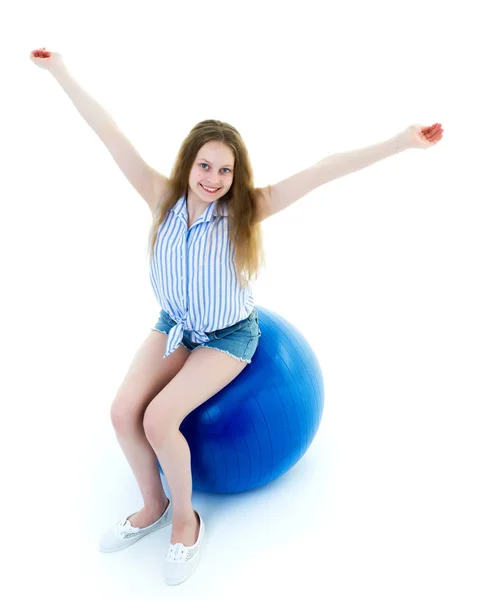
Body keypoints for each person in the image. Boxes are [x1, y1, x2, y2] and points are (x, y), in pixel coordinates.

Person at [30, 47, 444, 585]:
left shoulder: (245, 210)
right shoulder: (162, 197)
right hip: (175, 326)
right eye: (205, 165)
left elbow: (321, 171)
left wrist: (400, 143)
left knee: (159, 419)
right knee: (121, 412)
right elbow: (109, 133)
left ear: (235, 174)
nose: (214, 177)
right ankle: (153, 505)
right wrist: (60, 71)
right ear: (189, 163)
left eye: (225, 169)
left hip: (227, 337)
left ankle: (186, 521)